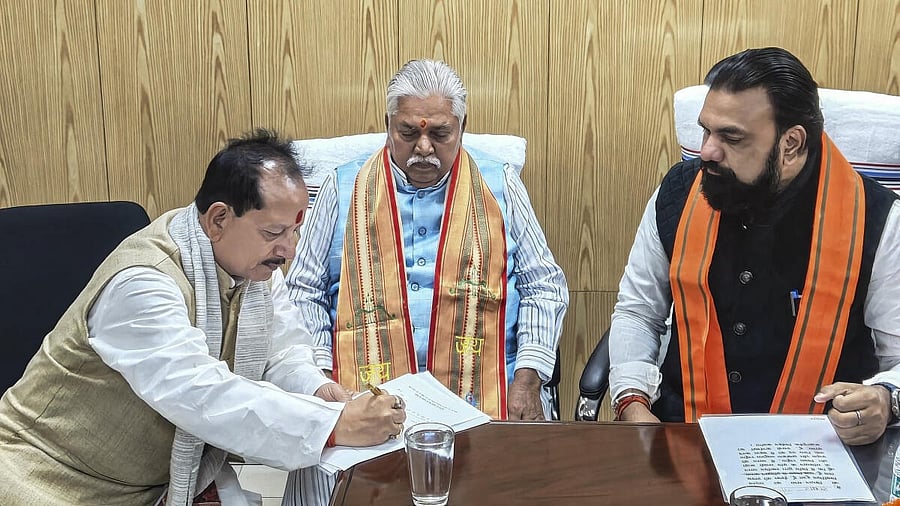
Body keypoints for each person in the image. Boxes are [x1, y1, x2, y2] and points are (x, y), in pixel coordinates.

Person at [0, 129, 406, 505]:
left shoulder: (253, 266)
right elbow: (203, 394)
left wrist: (319, 392)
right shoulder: (143, 283)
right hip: (52, 480)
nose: (289, 250)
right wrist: (331, 426)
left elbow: (281, 352)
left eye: (294, 231)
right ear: (218, 219)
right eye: (274, 232)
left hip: (154, 483)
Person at [282, 59, 568, 504]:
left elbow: (543, 285)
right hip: (363, 392)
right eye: (408, 133)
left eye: (439, 134)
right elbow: (302, 290)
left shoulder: (500, 184)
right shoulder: (344, 186)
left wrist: (528, 379)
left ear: (462, 127)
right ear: (387, 126)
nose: (423, 148)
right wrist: (322, 382)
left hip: (485, 393)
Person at [608, 47, 900, 446]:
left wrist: (886, 398)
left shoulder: (878, 220)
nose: (707, 151)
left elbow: (897, 361)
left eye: (731, 137)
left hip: (823, 447)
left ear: (792, 143)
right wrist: (632, 401)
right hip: (684, 438)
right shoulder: (677, 193)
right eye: (705, 130)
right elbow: (638, 312)